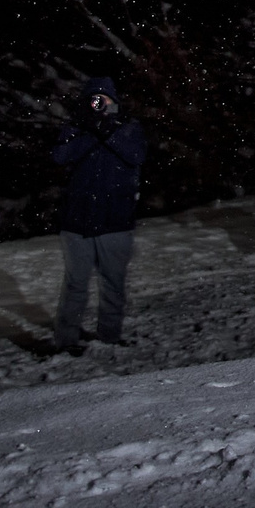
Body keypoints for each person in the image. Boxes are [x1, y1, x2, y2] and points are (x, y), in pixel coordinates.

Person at [50, 76, 146, 353]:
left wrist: (109, 129)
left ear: (115, 101)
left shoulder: (128, 127)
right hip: (77, 222)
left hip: (115, 221)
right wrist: (89, 129)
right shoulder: (76, 127)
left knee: (113, 283)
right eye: (94, 99)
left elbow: (136, 156)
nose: (99, 104)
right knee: (75, 284)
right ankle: (66, 340)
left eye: (104, 98)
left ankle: (110, 336)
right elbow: (59, 156)